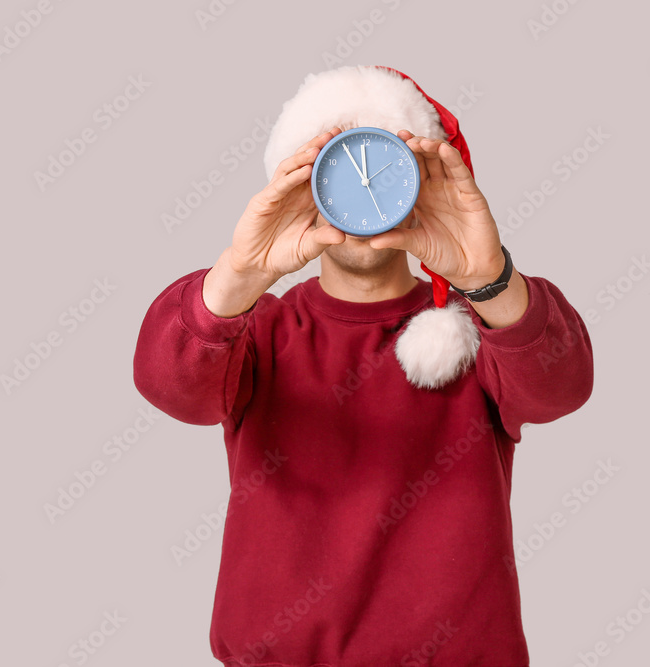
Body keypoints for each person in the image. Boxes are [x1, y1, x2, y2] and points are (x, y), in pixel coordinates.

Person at [132, 65, 593, 666]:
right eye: (335, 161)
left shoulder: (480, 327)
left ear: (423, 180)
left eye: (384, 158)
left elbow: (563, 387)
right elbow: (167, 384)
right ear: (300, 180)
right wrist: (240, 274)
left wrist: (488, 278)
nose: (361, 185)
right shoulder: (259, 329)